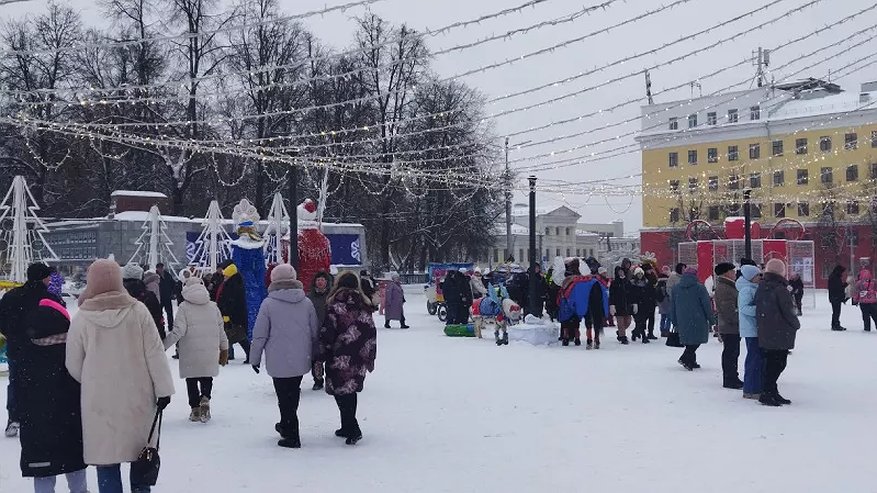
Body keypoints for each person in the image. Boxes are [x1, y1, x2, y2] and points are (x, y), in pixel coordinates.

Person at [66, 259, 175, 493]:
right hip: (138, 399)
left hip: (100, 404)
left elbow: (73, 365)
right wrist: (164, 390)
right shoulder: (138, 311)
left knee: (106, 461)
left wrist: (94, 380)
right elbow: (155, 354)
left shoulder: (82, 318)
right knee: (141, 456)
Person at [17, 269, 89, 493]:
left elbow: (19, 393)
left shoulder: (27, 356)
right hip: (70, 423)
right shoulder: (72, 353)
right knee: (74, 464)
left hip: (38, 427)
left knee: (43, 471)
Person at [249, 264, 319, 448]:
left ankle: (291, 433)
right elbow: (314, 331)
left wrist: (254, 357)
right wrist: (314, 354)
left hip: (277, 359)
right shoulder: (306, 302)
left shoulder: (268, 304)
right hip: (300, 357)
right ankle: (286, 425)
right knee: (293, 394)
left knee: (283, 396)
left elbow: (260, 334)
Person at [320, 272, 377, 445]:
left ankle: (352, 427)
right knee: (350, 390)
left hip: (340, 355)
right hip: (359, 355)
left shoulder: (335, 305)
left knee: (340, 391)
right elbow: (371, 332)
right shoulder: (364, 305)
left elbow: (328, 331)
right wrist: (370, 355)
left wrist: (323, 351)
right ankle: (346, 425)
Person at [162, 277, 228, 423]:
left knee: (191, 380)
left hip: (190, 350)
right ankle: (205, 398)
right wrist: (224, 348)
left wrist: (163, 346)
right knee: (207, 376)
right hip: (209, 350)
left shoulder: (184, 307)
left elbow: (178, 331)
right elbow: (220, 330)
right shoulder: (213, 306)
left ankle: (195, 409)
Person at [0, 262, 55, 438]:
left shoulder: (11, 297)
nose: (50, 279)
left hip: (17, 348)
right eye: (48, 276)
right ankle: (40, 418)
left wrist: (11, 334)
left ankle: (14, 418)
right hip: (43, 349)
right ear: (42, 278)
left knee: (16, 383)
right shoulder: (49, 299)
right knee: (43, 384)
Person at [755, 259, 800, 407]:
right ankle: (767, 393)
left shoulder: (762, 286)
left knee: (771, 363)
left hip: (766, 330)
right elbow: (788, 311)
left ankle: (771, 391)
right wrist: (795, 324)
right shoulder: (781, 289)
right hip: (780, 331)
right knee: (778, 363)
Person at [670, 267, 715, 371]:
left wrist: (674, 319)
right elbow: (706, 305)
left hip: (682, 317)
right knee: (696, 340)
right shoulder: (700, 288)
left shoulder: (676, 288)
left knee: (688, 339)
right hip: (698, 317)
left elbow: (673, 305)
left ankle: (691, 360)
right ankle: (685, 358)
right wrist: (711, 319)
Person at [713, 262, 742, 389]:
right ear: (726, 273)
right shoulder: (725, 288)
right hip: (730, 327)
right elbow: (728, 311)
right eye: (732, 271)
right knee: (731, 353)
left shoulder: (728, 286)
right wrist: (738, 320)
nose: (734, 273)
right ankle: (730, 378)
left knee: (732, 352)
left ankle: (732, 377)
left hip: (730, 326)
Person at [737, 264, 763, 400]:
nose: (760, 277)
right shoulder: (746, 290)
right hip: (751, 329)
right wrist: (760, 310)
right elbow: (744, 308)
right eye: (758, 275)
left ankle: (754, 386)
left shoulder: (752, 288)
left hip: (754, 328)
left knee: (755, 358)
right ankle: (751, 388)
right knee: (754, 359)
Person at [216, 262, 250, 362]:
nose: (224, 277)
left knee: (234, 336)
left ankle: (226, 356)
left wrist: (226, 314)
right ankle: (229, 355)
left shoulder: (233, 284)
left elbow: (230, 301)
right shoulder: (234, 282)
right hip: (234, 315)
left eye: (226, 275)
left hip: (233, 316)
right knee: (236, 336)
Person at [122, 263, 165, 340]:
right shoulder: (149, 296)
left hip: (121, 343)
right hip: (145, 342)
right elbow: (158, 321)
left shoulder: (115, 297)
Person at [308, 271, 333, 391]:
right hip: (314, 331)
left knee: (330, 357)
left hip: (330, 331)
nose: (320, 282)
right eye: (318, 280)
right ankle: (318, 380)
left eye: (322, 280)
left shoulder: (332, 296)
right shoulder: (309, 298)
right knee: (316, 358)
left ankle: (331, 379)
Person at [628, 267, 655, 344]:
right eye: (638, 274)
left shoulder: (646, 282)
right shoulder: (632, 283)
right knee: (639, 321)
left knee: (642, 321)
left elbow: (650, 293)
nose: (639, 275)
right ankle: (643, 336)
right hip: (636, 304)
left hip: (645, 305)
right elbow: (630, 294)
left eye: (641, 274)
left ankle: (635, 332)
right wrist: (634, 303)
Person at [609, 266, 634, 344]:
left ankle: (620, 332)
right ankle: (623, 337)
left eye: (622, 271)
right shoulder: (614, 283)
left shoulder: (627, 282)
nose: (621, 273)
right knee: (620, 323)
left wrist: (633, 303)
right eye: (619, 271)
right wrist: (612, 304)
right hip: (618, 305)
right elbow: (612, 294)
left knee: (628, 321)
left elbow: (631, 294)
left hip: (627, 305)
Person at [156, 263, 176, 333]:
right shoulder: (155, 276)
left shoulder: (167, 275)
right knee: (159, 313)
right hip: (159, 297)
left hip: (167, 296)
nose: (161, 269)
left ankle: (171, 326)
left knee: (169, 312)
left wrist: (173, 292)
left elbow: (173, 283)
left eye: (161, 268)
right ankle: (160, 326)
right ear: (157, 268)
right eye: (159, 268)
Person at [827, 265, 848, 331]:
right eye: (842, 272)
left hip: (834, 297)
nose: (842, 273)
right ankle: (836, 325)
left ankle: (834, 325)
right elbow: (839, 288)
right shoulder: (835, 277)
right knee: (836, 312)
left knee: (835, 312)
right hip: (836, 297)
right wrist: (846, 284)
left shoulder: (833, 276)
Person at [656, 270, 672, 337]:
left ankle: (662, 330)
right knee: (669, 317)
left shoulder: (658, 284)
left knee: (663, 317)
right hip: (667, 302)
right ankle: (667, 330)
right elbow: (669, 293)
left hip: (661, 303)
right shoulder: (667, 283)